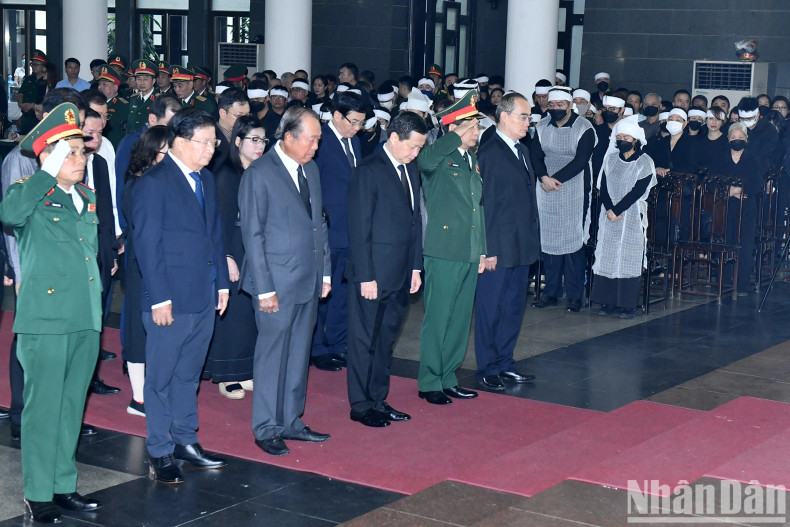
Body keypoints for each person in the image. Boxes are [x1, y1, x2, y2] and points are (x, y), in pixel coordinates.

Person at [0, 102, 103, 523]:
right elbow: (9, 215)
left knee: (70, 407)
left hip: (85, 317)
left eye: (82, 152)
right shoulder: (27, 195)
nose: (81, 159)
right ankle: (38, 492)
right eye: (72, 152)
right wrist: (46, 172)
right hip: (46, 318)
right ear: (49, 156)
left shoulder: (87, 197)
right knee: (43, 409)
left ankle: (63, 484)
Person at [132, 108, 230, 483]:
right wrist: (159, 298)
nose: (211, 150)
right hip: (168, 300)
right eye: (204, 143)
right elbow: (147, 246)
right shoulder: (153, 183)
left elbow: (214, 235)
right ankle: (159, 449)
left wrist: (221, 282)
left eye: (213, 142)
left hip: (203, 294)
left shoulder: (204, 179)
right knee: (160, 379)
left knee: (189, 375)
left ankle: (186, 440)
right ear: (178, 141)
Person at [239, 106, 332, 457]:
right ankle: (266, 426)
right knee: (272, 355)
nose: (316, 147)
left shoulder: (311, 169)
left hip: (308, 278)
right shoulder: (259, 174)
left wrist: (324, 272)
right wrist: (263, 288)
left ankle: (291, 419)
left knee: (298, 354)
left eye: (319, 140)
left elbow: (319, 224)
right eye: (311, 140)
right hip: (275, 283)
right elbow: (253, 235)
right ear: (289, 137)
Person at [345, 111, 427, 428]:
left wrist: (416, 267)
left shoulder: (411, 170)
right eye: (413, 147)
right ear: (394, 137)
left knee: (385, 340)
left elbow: (415, 222)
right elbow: (359, 227)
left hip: (401, 271)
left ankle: (378, 398)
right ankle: (361, 404)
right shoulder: (369, 170)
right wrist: (366, 275)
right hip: (373, 274)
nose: (416, 153)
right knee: (364, 339)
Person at [417, 89, 486, 406]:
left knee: (459, 319)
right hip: (443, 249)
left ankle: (448, 376)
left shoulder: (471, 160)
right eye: (472, 127)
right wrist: (454, 135)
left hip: (468, 251)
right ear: (455, 127)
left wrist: (482, 249)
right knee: (439, 317)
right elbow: (424, 160)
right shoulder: (438, 156)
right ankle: (429, 380)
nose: (477, 133)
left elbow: (477, 208)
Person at [474, 92, 540, 391]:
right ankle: (487, 366)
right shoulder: (488, 152)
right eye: (523, 117)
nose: (528, 122)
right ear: (503, 116)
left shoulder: (521, 150)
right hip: (497, 247)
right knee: (491, 308)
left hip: (520, 244)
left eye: (529, 117)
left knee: (513, 306)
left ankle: (504, 362)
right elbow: (483, 204)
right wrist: (486, 249)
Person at [205, 115, 261, 399]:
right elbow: (220, 221)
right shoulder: (227, 174)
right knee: (233, 312)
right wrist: (225, 255)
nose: (259, 146)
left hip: (254, 248)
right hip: (233, 248)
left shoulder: (260, 172)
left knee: (251, 312)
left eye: (263, 140)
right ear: (237, 142)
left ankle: (245, 370)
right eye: (253, 140)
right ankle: (228, 375)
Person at [310, 92, 365, 372]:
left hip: (350, 230)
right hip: (327, 230)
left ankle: (337, 343)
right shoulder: (319, 141)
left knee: (343, 292)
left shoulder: (354, 141)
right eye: (353, 122)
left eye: (360, 123)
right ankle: (317, 347)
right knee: (322, 291)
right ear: (337, 115)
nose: (357, 128)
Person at [531, 88, 597, 312]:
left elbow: (581, 160)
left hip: (574, 187)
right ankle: (551, 292)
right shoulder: (541, 126)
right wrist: (543, 177)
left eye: (561, 105)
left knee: (572, 242)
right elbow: (536, 155)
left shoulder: (584, 128)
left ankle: (575, 295)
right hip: (546, 187)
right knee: (549, 240)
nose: (556, 109)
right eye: (552, 105)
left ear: (570, 106)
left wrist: (554, 180)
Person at [121, 125, 169, 417]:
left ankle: (150, 392)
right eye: (165, 151)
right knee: (139, 330)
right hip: (142, 263)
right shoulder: (138, 183)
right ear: (150, 153)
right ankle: (138, 398)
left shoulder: (158, 181)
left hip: (157, 262)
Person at [592, 116, 657, 319]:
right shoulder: (610, 159)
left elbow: (638, 190)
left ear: (635, 139)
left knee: (628, 257)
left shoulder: (645, 162)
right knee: (609, 255)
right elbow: (604, 186)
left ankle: (628, 305)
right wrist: (610, 209)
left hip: (630, 215)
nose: (622, 140)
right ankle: (609, 302)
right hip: (609, 214)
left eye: (626, 136)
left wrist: (618, 209)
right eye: (618, 137)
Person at [716, 122, 762, 295]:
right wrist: (729, 191)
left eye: (740, 137)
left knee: (745, 243)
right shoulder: (720, 157)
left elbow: (758, 182)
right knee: (726, 241)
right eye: (733, 137)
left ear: (746, 139)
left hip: (747, 205)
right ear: (728, 139)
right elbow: (713, 181)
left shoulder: (753, 158)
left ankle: (742, 283)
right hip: (724, 205)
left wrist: (741, 190)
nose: (736, 140)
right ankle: (724, 280)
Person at [97, 64, 130, 148]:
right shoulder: (96, 104)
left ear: (115, 87)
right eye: (99, 84)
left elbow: (122, 133)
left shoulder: (123, 106)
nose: (100, 88)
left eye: (105, 85)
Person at [125, 59, 158, 135]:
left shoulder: (159, 100)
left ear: (153, 81)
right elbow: (129, 125)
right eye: (139, 79)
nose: (141, 82)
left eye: (145, 79)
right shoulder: (133, 98)